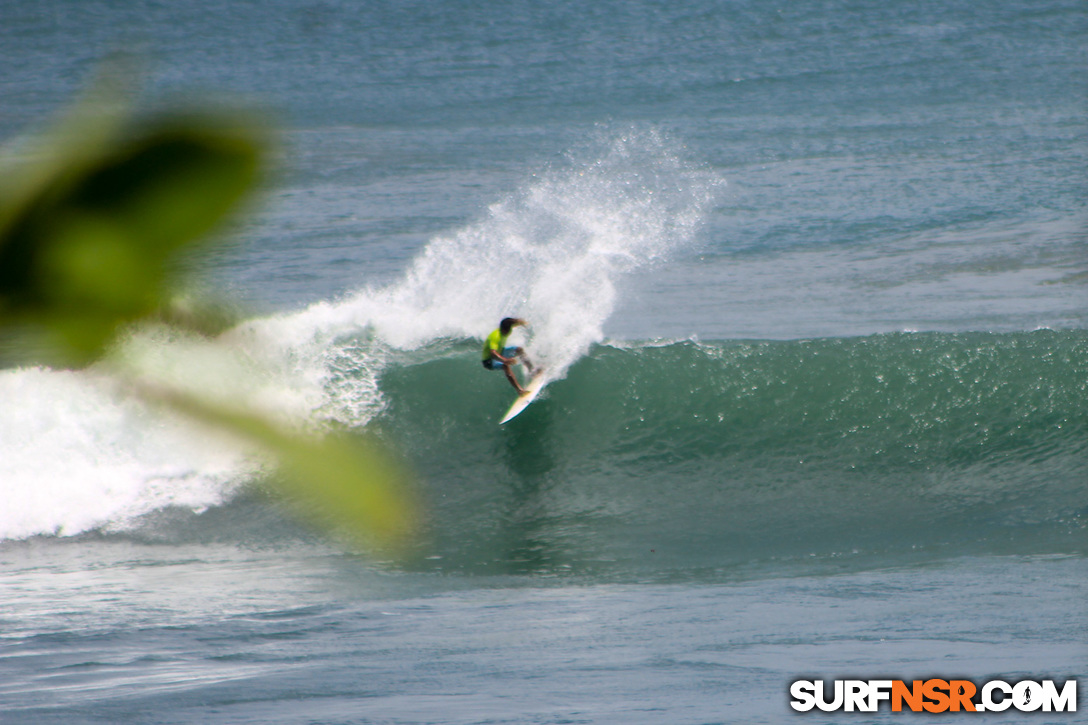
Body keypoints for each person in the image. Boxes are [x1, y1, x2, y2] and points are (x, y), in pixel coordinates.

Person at [482, 317, 536, 393]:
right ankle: (519, 390)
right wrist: (505, 360)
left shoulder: (508, 328)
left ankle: (532, 371)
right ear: (502, 329)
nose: (507, 333)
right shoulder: (495, 336)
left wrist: (522, 323)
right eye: (505, 331)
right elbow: (493, 353)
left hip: (500, 351)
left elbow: (513, 322)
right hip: (489, 360)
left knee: (519, 350)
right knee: (505, 365)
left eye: (508, 330)